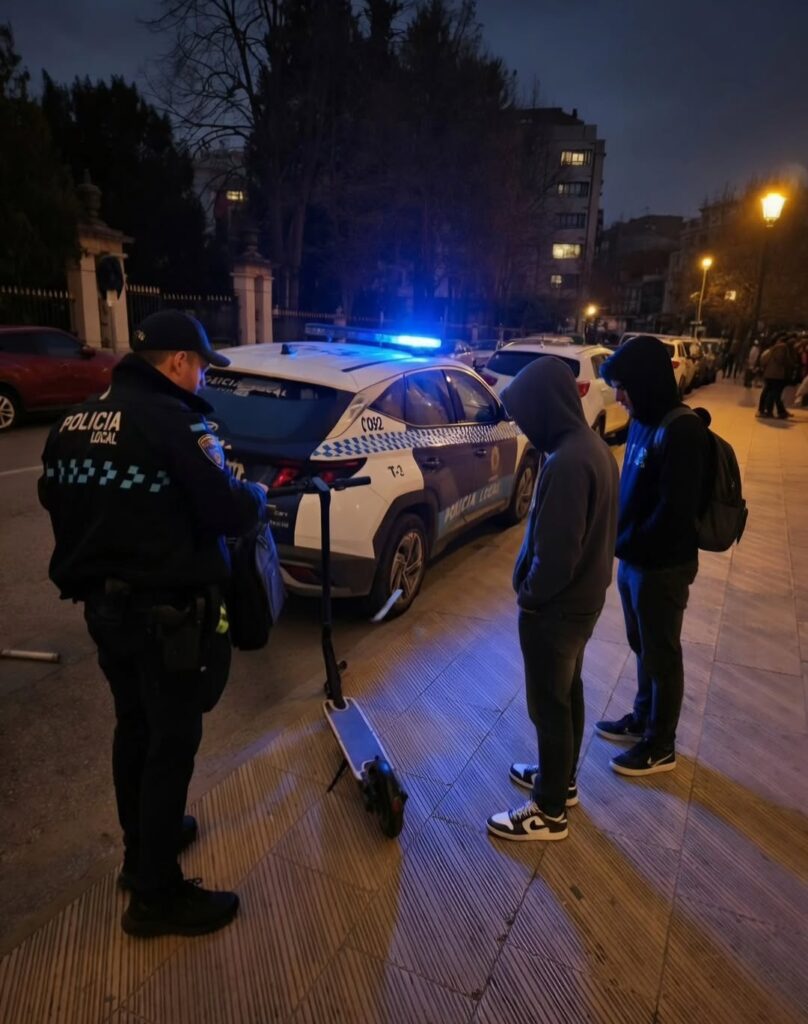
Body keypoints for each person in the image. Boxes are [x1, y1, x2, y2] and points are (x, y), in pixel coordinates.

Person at [38, 310, 267, 937]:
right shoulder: (177, 422)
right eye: (199, 367)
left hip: (103, 613)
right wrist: (257, 498)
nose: (202, 379)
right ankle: (156, 896)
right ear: (175, 363)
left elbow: (53, 499)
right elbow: (225, 508)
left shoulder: (75, 421)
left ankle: (141, 850)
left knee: (133, 727)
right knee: (172, 743)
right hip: (165, 618)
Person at [486, 358, 619, 842]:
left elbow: (557, 557)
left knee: (549, 706)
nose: (524, 425)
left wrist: (529, 597)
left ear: (546, 406)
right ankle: (560, 781)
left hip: (557, 610)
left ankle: (548, 812)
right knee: (568, 694)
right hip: (582, 603)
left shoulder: (566, 462)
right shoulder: (592, 449)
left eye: (526, 414)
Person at [595, 336, 710, 776]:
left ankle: (661, 744)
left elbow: (675, 513)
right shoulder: (643, 420)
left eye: (623, 386)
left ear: (644, 381)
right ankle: (643, 718)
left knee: (662, 654)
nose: (619, 396)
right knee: (641, 645)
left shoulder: (682, 430)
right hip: (635, 561)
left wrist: (632, 542)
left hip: (662, 567)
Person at [757, 332, 794, 419]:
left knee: (767, 392)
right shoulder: (783, 348)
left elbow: (764, 360)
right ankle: (779, 412)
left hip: (768, 374)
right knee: (775, 393)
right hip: (777, 374)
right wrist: (790, 364)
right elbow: (781, 360)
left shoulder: (772, 348)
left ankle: (763, 410)